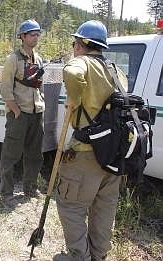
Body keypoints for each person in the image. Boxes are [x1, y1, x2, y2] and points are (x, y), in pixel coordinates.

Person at [53, 20, 128, 261]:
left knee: (71, 207)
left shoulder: (82, 62)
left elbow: (71, 71)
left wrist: (73, 99)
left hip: (85, 154)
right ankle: (98, 256)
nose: (74, 47)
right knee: (104, 209)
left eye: (75, 43)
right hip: (113, 156)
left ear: (83, 44)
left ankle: (79, 258)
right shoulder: (117, 71)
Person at [0, 19, 45, 205]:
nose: (35, 38)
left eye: (37, 34)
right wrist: (16, 111)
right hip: (20, 114)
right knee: (11, 154)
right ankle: (6, 193)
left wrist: (41, 104)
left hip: (36, 113)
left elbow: (38, 87)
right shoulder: (13, 59)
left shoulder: (38, 58)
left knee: (35, 154)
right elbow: (5, 90)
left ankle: (30, 188)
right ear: (23, 37)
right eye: (32, 34)